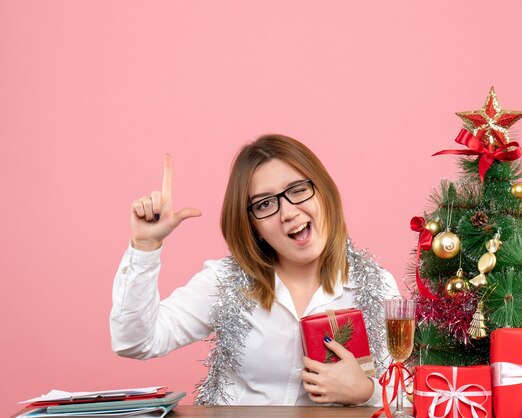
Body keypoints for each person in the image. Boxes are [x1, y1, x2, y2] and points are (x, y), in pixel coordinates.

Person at [110, 134, 400, 406]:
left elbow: (409, 394)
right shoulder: (225, 283)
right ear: (254, 227)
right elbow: (135, 342)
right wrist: (144, 246)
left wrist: (366, 390)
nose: (288, 213)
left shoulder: (377, 286)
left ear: (323, 193)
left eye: (298, 190)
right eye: (264, 204)